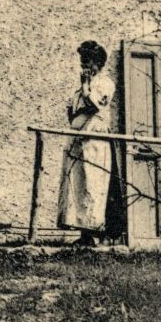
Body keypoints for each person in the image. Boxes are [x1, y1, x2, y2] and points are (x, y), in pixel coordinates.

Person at [57, 40, 116, 240]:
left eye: (88, 62)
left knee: (93, 181)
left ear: (97, 63)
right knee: (78, 183)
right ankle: (83, 234)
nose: (84, 67)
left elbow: (93, 106)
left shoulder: (105, 84)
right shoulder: (80, 89)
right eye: (82, 62)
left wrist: (85, 87)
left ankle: (93, 230)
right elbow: (71, 111)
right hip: (77, 139)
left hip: (94, 139)